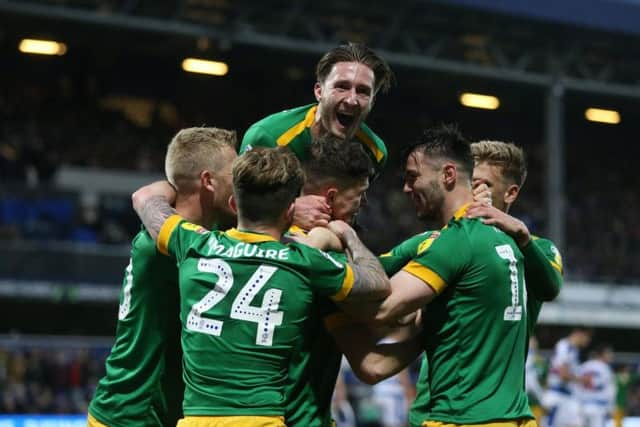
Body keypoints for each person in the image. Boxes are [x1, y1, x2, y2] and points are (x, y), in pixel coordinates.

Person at [130, 146, 391, 426]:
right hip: (262, 419)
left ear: (233, 204)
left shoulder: (194, 243)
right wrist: (346, 235)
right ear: (290, 211)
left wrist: (175, 180)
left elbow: (147, 200)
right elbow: (377, 283)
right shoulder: (305, 261)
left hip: (197, 419)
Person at [333, 124, 534, 426]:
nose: (406, 188)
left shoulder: (456, 242)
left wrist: (336, 246)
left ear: (448, 175)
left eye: (413, 177)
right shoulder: (506, 242)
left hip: (464, 419)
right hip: (512, 417)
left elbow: (383, 310)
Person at [88, 127, 238, 427]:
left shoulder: (199, 233)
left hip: (162, 413)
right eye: (234, 174)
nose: (241, 182)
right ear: (208, 181)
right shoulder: (159, 248)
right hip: (133, 415)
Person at [284, 135, 421, 427]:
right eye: (359, 194)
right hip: (299, 419)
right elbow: (371, 364)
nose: (363, 204)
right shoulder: (323, 260)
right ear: (331, 197)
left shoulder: (266, 240)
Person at [240, 42, 394, 230]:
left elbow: (349, 215)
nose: (352, 100)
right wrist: (288, 211)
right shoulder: (269, 137)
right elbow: (233, 202)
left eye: (363, 92)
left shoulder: (374, 152)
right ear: (319, 91)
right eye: (342, 87)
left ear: (372, 101)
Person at [543, 327, 593, 427]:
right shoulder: (565, 346)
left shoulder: (574, 350)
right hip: (558, 395)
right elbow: (563, 374)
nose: (588, 340)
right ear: (579, 333)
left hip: (567, 396)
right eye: (588, 336)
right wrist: (582, 380)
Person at [578, 344, 616, 427]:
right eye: (609, 353)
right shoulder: (605, 368)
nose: (611, 355)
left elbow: (576, 386)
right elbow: (610, 391)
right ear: (602, 354)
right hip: (599, 408)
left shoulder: (583, 366)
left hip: (582, 406)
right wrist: (611, 408)